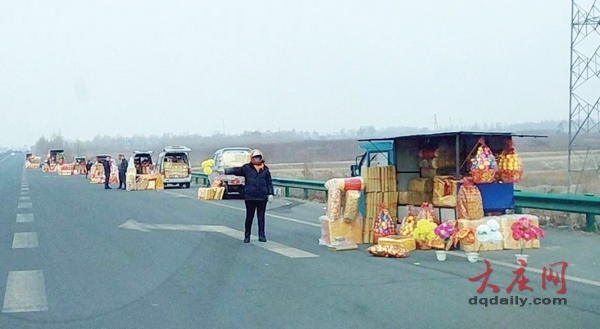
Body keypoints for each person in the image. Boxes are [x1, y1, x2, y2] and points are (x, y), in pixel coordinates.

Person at [224, 149, 274, 243]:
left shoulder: (265, 170)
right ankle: (247, 236)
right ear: (252, 158)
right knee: (249, 217)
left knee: (261, 217)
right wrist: (227, 170)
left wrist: (270, 193)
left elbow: (269, 182)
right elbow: (237, 170)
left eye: (259, 157)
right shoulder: (247, 168)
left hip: (262, 197)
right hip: (250, 197)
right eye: (255, 157)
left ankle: (262, 235)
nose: (257, 159)